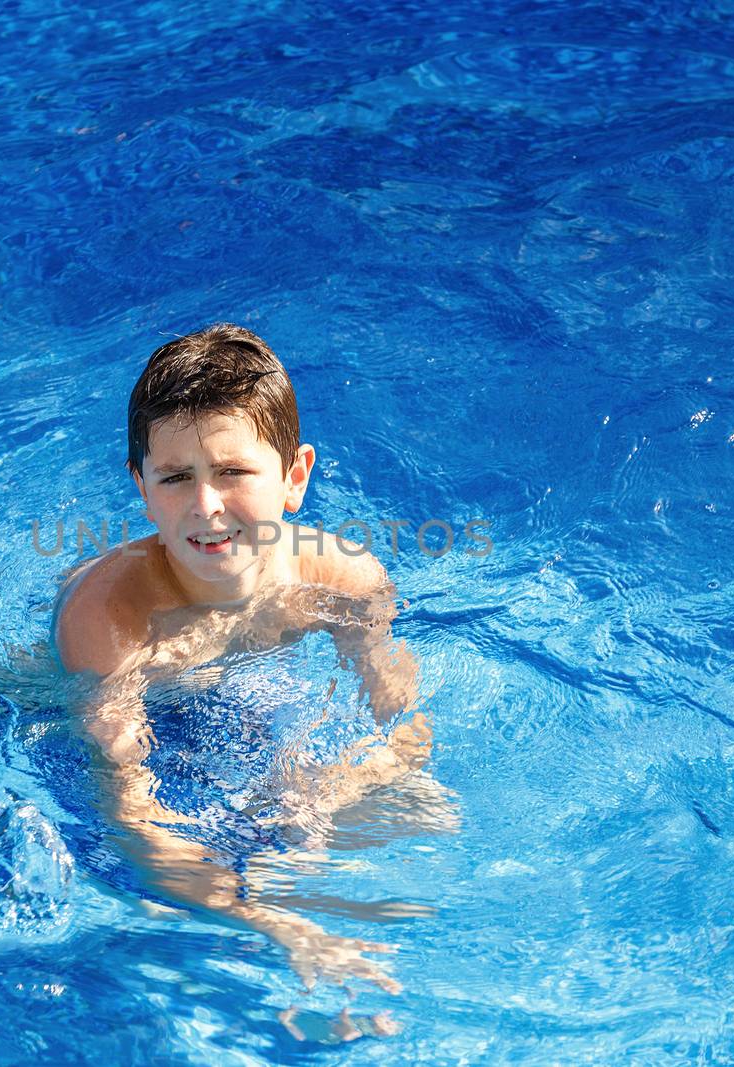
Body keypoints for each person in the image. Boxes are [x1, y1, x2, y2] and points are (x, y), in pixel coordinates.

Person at [53, 323, 437, 997]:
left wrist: (326, 789)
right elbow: (128, 809)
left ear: (295, 477)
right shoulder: (110, 618)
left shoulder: (345, 581)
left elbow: (403, 726)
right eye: (175, 477)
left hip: (235, 692)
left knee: (419, 813)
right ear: (141, 487)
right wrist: (269, 921)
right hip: (106, 703)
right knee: (127, 890)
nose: (206, 504)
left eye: (233, 471)